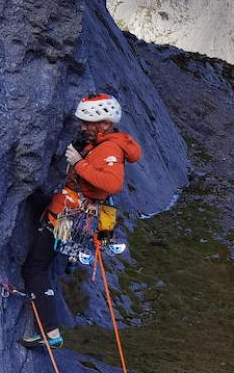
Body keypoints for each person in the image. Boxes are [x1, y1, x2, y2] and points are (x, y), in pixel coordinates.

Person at [19, 93, 142, 348]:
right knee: (45, 257)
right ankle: (69, 265)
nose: (83, 126)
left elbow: (113, 183)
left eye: (88, 122)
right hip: (73, 213)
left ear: (105, 124)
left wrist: (80, 163)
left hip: (68, 215)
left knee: (35, 267)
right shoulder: (102, 141)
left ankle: (50, 334)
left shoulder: (109, 148)